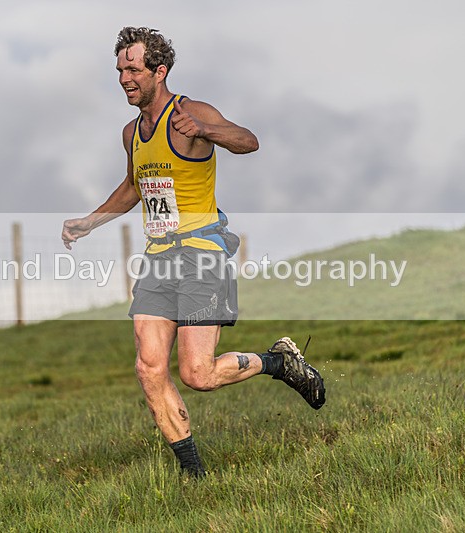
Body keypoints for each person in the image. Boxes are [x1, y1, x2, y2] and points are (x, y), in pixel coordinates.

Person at [61, 27, 325, 477]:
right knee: (149, 368)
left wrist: (205, 130)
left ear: (159, 71)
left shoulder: (190, 112)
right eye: (119, 69)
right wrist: (90, 221)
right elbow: (133, 188)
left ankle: (279, 362)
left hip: (202, 254)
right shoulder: (131, 133)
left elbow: (249, 140)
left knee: (198, 374)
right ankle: (195, 476)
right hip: (158, 258)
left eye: (133, 69)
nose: (124, 77)